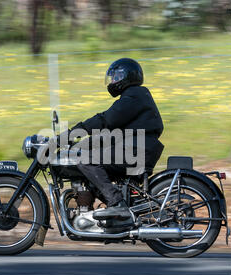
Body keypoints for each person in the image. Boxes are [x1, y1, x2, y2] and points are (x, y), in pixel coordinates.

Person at [70, 58, 164, 220]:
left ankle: (117, 204)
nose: (113, 81)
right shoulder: (135, 97)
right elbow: (111, 133)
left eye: (116, 76)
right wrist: (84, 142)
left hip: (136, 150)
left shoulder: (134, 96)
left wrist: (74, 132)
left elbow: (107, 119)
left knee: (86, 159)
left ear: (127, 76)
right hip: (137, 148)